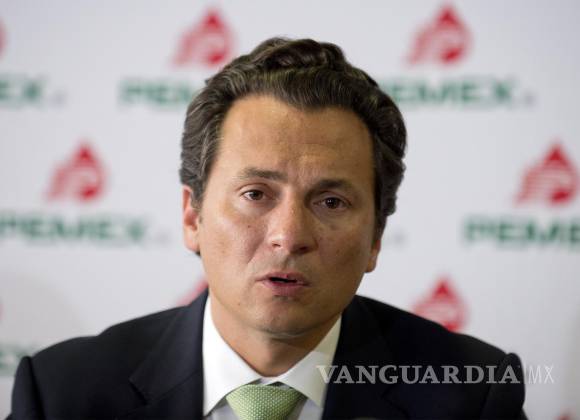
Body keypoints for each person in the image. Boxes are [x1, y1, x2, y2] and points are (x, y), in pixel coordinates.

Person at [9, 37, 526, 419]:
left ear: (375, 238)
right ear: (192, 216)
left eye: (331, 201)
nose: (289, 235)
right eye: (256, 194)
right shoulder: (63, 394)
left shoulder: (470, 394)